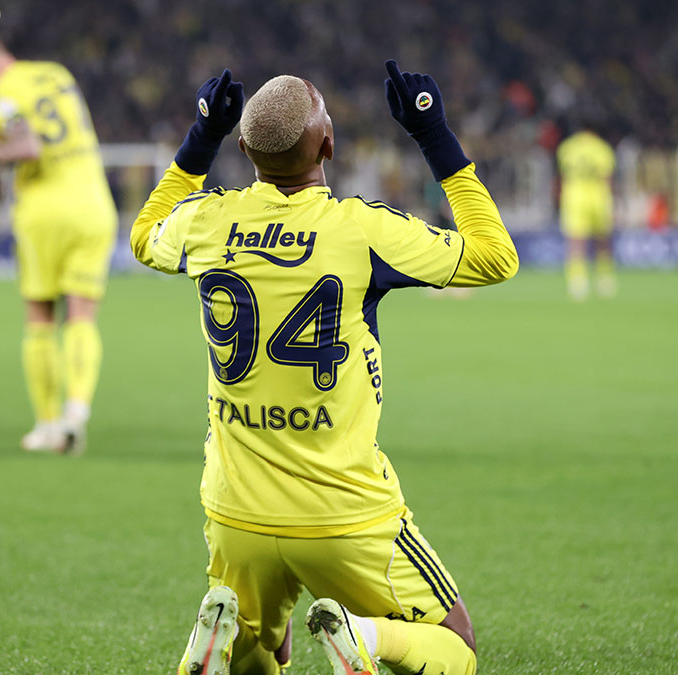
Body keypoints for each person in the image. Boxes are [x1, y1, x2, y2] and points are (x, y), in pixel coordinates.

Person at [130, 62, 519, 675]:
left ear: (243, 147)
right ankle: (366, 638)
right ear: (330, 145)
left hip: (237, 511)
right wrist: (433, 133)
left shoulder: (204, 221)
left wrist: (199, 139)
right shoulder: (361, 229)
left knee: (261, 643)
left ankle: (223, 643)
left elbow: (144, 233)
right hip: (345, 512)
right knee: (456, 642)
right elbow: (496, 256)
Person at [0, 31, 117, 454]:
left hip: (43, 212)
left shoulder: (0, 99)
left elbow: (27, 145)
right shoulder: (56, 72)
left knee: (40, 321)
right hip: (92, 203)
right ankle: (76, 413)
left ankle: (48, 425)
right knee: (83, 318)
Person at [557, 121, 617, 300]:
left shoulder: (567, 147)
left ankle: (577, 282)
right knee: (603, 240)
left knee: (576, 241)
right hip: (598, 197)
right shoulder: (602, 148)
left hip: (574, 198)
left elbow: (563, 175)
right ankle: (604, 279)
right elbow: (607, 177)